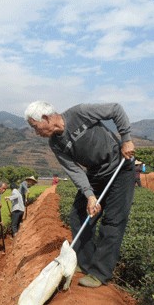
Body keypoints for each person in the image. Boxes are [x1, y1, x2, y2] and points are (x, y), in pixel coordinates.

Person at [25, 101, 135, 288]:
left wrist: (126, 139)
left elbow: (115, 109)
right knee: (78, 216)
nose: (37, 133)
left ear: (46, 118)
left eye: (36, 127)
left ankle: (99, 273)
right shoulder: (55, 143)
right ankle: (84, 263)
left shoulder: (80, 113)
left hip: (119, 168)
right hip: (95, 174)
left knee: (113, 222)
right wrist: (90, 195)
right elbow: (74, 170)